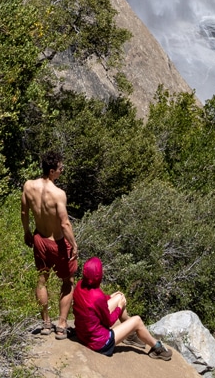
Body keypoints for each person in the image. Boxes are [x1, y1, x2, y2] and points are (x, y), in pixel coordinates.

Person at [21, 150, 78, 339]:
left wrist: (27, 232)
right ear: (52, 171)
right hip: (58, 242)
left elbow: (24, 212)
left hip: (39, 238)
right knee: (68, 282)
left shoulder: (28, 186)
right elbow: (64, 223)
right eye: (60, 168)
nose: (62, 171)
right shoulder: (58, 194)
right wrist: (74, 244)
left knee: (41, 280)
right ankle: (61, 325)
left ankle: (46, 323)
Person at [72, 257, 173, 361]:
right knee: (137, 320)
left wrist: (110, 297)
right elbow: (109, 321)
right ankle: (157, 348)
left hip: (83, 335)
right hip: (99, 343)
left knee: (119, 297)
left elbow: (92, 303)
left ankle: (130, 335)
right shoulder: (98, 297)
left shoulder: (80, 285)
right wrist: (119, 307)